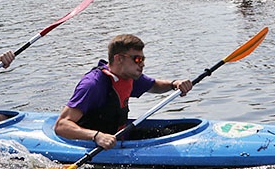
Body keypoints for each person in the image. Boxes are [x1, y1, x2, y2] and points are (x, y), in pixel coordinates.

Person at [54, 34, 193, 150]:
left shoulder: (128, 77)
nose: (142, 64)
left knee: (176, 130)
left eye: (143, 59)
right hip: (94, 145)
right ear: (119, 58)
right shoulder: (93, 85)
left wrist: (174, 84)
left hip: (119, 137)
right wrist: (97, 136)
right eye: (137, 59)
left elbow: (154, 85)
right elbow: (61, 125)